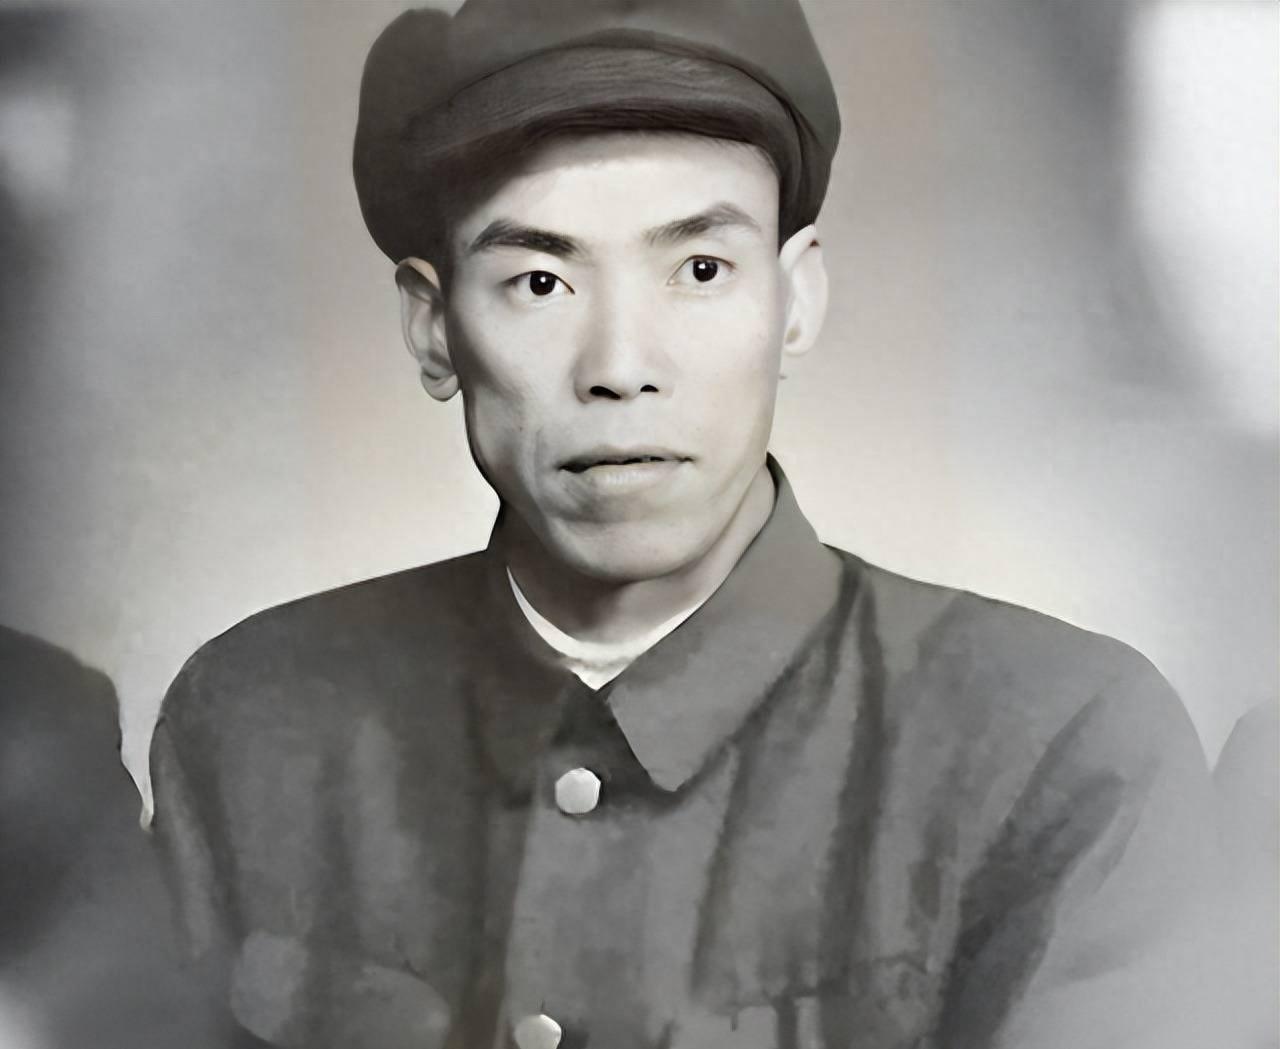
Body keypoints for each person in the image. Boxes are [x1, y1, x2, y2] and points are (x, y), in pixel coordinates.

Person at [148, 1, 1219, 1046]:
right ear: (433, 330)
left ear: (794, 302)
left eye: (699, 271)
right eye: (539, 280)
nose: (619, 366)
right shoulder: (253, 724)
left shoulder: (1056, 746)